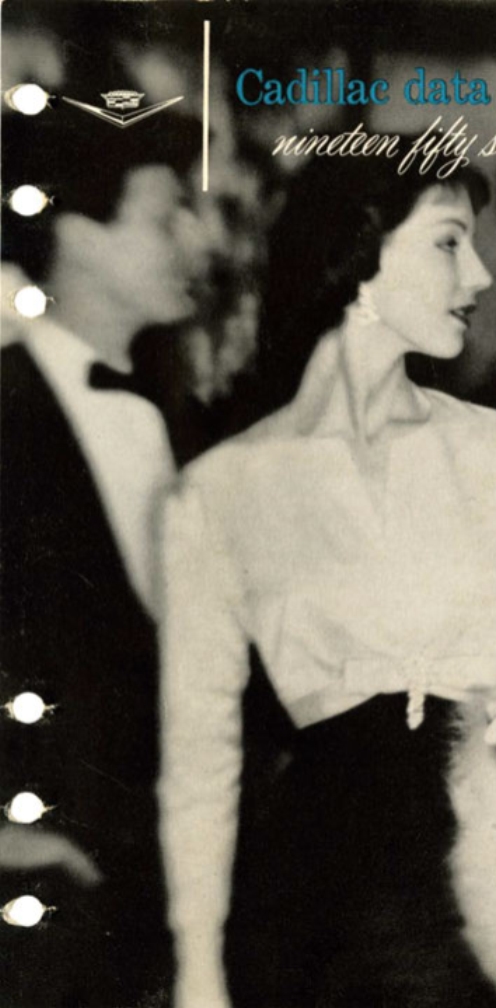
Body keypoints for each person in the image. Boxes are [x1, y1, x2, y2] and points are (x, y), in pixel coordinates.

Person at [160, 153, 496, 1008]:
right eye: (448, 243)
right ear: (360, 256)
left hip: (495, 885)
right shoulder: (223, 488)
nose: (478, 276)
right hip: (309, 893)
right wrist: (197, 974)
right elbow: (198, 756)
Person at [1, 109, 206, 1007]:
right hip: (44, 914)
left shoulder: (189, 418)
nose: (197, 239)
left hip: (166, 902)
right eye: (166, 216)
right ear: (79, 235)